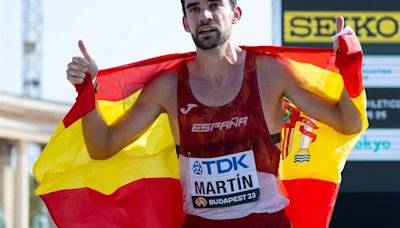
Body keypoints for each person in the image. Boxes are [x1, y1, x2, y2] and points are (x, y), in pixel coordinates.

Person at [66, 0, 362, 227]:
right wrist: (87, 92)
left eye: (214, 5)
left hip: (266, 221)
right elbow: (102, 146)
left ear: (236, 14)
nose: (204, 16)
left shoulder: (270, 72)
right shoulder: (168, 87)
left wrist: (350, 71)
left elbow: (348, 123)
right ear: (185, 22)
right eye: (194, 9)